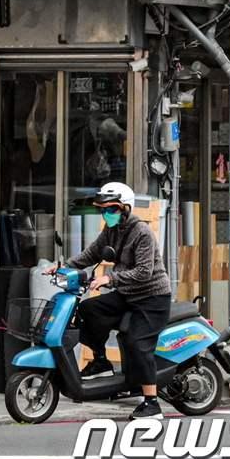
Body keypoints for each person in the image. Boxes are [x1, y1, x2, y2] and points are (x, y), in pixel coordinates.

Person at [65, 180, 172, 420]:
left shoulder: (142, 233)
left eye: (111, 209)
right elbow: (91, 253)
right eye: (103, 210)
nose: (106, 214)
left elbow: (144, 272)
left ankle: (151, 403)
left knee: (136, 342)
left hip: (152, 297)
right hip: (128, 294)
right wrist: (63, 268)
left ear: (125, 208)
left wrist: (109, 280)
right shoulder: (111, 230)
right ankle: (101, 361)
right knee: (87, 309)